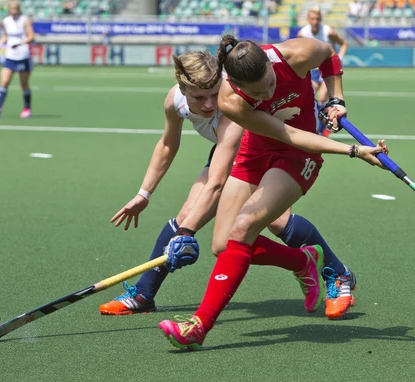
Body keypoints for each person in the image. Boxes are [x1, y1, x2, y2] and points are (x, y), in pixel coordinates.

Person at [159, 35, 389, 350]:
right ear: (236, 85)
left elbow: (330, 56)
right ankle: (302, 260)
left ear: (270, 63)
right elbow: (287, 133)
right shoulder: (230, 101)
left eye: (269, 82)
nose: (268, 92)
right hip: (263, 147)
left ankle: (198, 327)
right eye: (257, 93)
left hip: (298, 156)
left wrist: (336, 99)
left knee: (243, 228)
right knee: (223, 244)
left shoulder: (297, 53)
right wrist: (351, 150)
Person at [99, 51, 362, 320]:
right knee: (194, 224)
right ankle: (143, 294)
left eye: (214, 93)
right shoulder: (174, 101)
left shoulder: (231, 104)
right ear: (182, 90)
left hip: (258, 149)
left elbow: (218, 181)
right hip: (226, 154)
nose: (210, 104)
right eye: (199, 98)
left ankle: (337, 272)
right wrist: (144, 193)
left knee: (277, 222)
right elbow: (168, 143)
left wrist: (189, 231)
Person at [298, 7, 348, 136]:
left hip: (328, 68)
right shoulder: (303, 33)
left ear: (321, 19)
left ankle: (321, 131)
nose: (315, 21)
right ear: (308, 19)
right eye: (312, 19)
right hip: (313, 69)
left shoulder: (328, 32)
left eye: (317, 19)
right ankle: (318, 125)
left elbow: (344, 44)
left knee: (322, 97)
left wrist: (339, 59)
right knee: (310, 94)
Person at [0, 1, 34, 119]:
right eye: (12, 9)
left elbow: (31, 36)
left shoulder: (24, 20)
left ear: (18, 9)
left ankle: (27, 108)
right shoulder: (6, 21)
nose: (14, 11)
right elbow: (5, 36)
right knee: (4, 82)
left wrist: (19, 43)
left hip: (23, 55)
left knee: (24, 84)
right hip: (10, 56)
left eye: (16, 8)